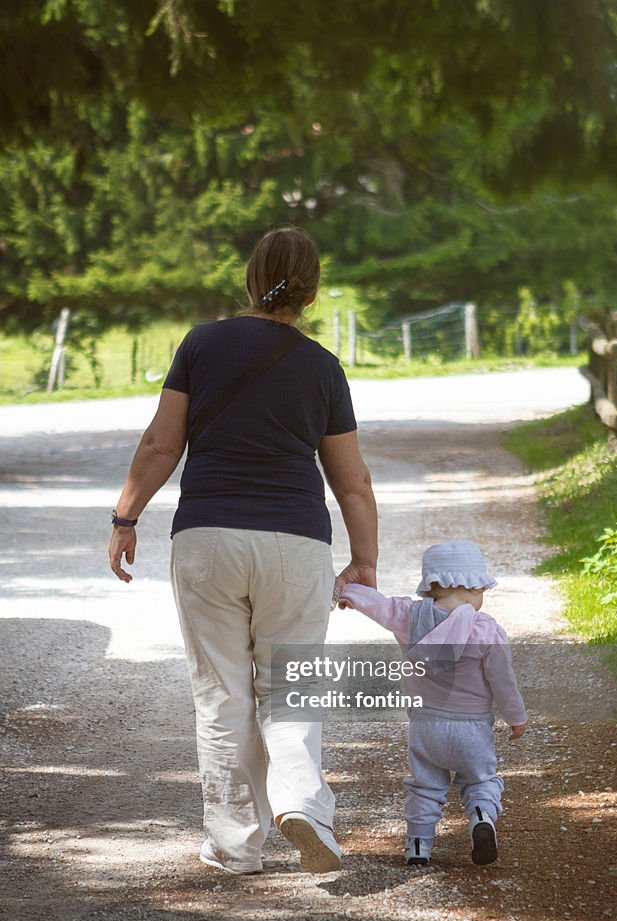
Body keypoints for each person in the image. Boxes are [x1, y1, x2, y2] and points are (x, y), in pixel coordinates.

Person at [109, 226, 378, 875]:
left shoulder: (202, 344)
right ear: (311, 293)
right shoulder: (321, 367)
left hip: (207, 540)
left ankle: (233, 845)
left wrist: (125, 517)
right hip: (294, 543)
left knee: (221, 694)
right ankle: (303, 807)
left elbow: (158, 446)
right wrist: (363, 560)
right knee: (289, 688)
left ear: (249, 279)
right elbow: (352, 479)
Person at [339, 540, 527, 867]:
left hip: (426, 726)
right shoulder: (487, 631)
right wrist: (516, 717)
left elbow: (378, 604)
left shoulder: (409, 617)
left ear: (433, 586)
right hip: (472, 728)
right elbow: (503, 680)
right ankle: (481, 818)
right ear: (473, 589)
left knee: (425, 785)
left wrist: (348, 592)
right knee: (480, 780)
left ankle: (417, 847)